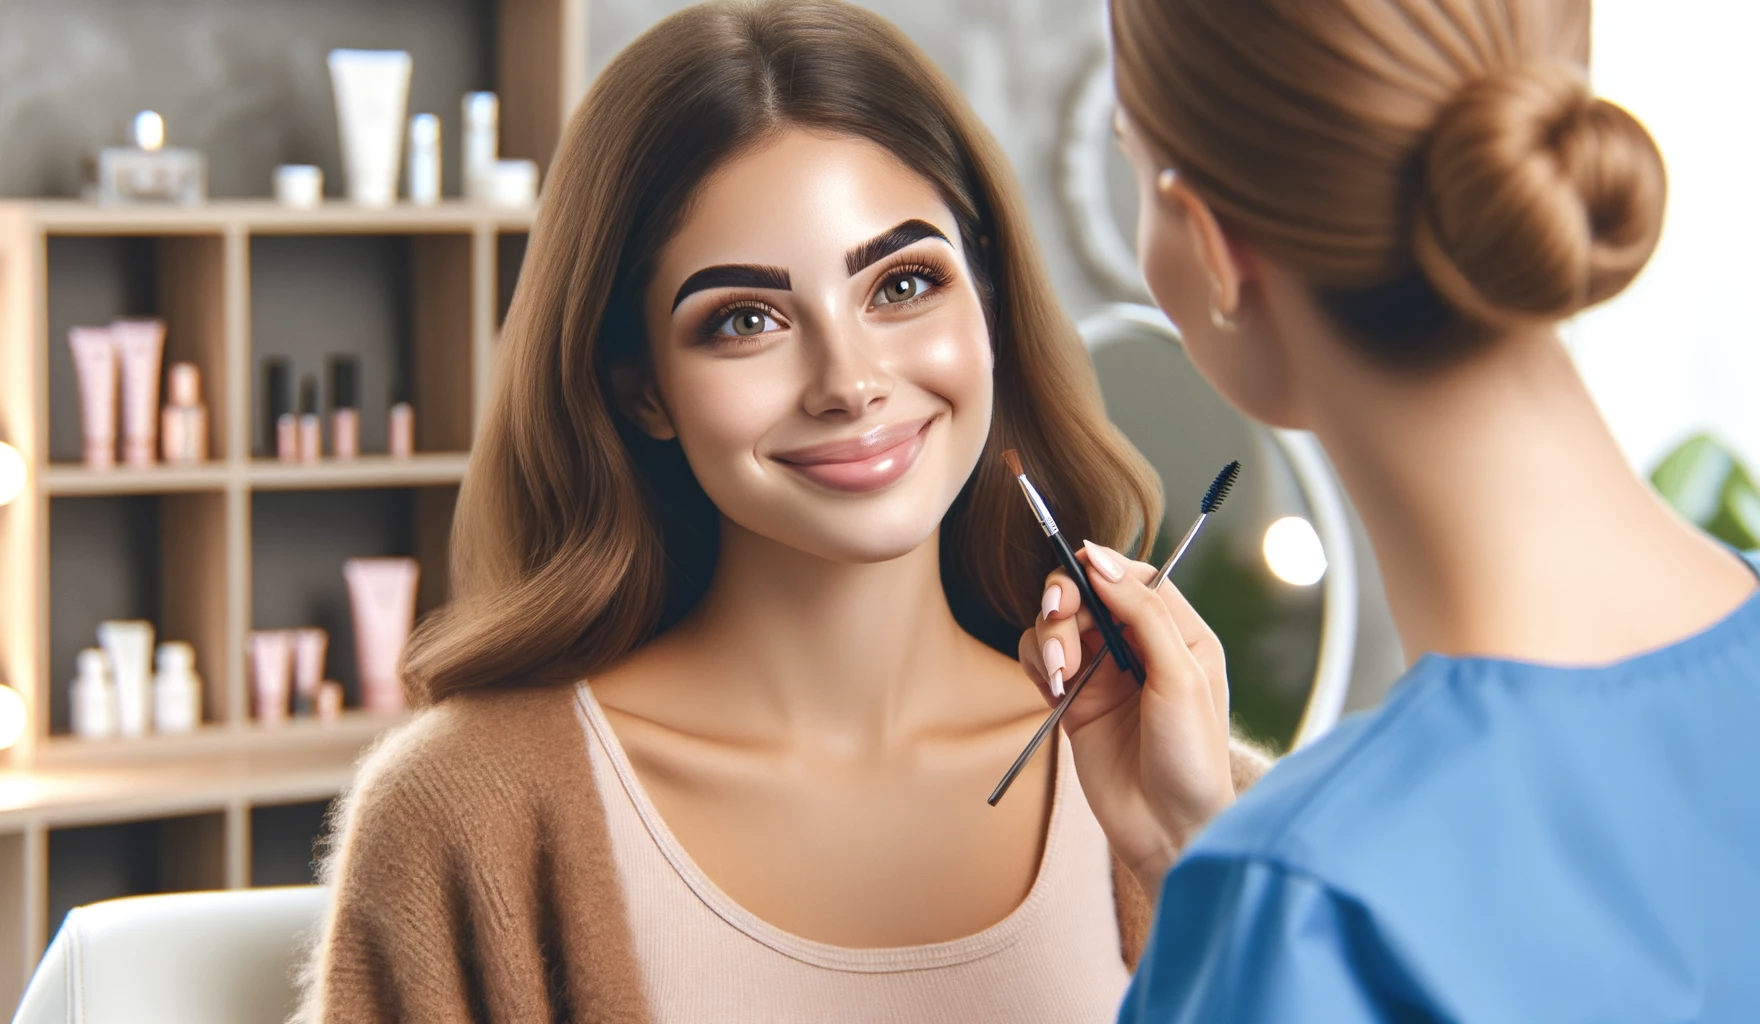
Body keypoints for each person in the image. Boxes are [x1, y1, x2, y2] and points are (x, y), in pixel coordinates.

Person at [295, 2, 1270, 1021]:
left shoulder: (1207, 799)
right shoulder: (466, 816)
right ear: (640, 387)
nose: (848, 383)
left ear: (985, 293)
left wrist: (1193, 864)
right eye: (745, 319)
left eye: (902, 283)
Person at [1022, 0, 1760, 1019]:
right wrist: (1197, 852)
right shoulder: (1305, 908)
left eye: (1134, 165)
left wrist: (1242, 908)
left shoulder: (1310, 920)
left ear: (1211, 245)